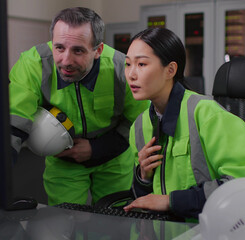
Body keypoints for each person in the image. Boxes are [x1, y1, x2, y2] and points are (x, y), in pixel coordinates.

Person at [8, 7, 148, 206]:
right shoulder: (33, 64)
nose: (66, 61)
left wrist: (97, 149)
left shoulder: (121, 69)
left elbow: (140, 121)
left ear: (97, 50)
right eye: (59, 48)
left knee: (116, 222)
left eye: (78, 50)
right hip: (64, 160)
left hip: (113, 158)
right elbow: (12, 124)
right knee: (63, 226)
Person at [122, 28, 245, 220]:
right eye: (127, 64)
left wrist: (171, 201)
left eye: (141, 64)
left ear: (170, 70)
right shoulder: (139, 127)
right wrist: (143, 177)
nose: (131, 74)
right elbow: (143, 199)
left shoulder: (208, 115)